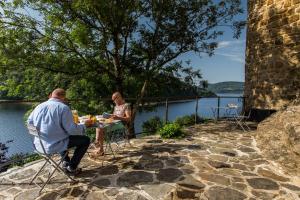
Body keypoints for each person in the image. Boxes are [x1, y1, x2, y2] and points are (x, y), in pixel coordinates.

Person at [27, 88, 92, 175]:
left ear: (51, 95)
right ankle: (72, 167)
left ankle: (65, 161)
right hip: (52, 146)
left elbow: (29, 122)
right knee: (85, 140)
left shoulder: (39, 106)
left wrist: (42, 130)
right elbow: (72, 130)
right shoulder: (63, 108)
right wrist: (84, 125)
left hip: (38, 145)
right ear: (63, 98)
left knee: (62, 136)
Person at [92, 92, 131, 156]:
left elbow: (129, 118)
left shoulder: (126, 106)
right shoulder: (116, 106)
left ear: (119, 97)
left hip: (121, 124)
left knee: (100, 128)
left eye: (114, 100)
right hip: (113, 122)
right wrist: (107, 117)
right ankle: (97, 142)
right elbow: (113, 116)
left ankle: (100, 148)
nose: (114, 102)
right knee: (98, 124)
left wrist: (118, 117)